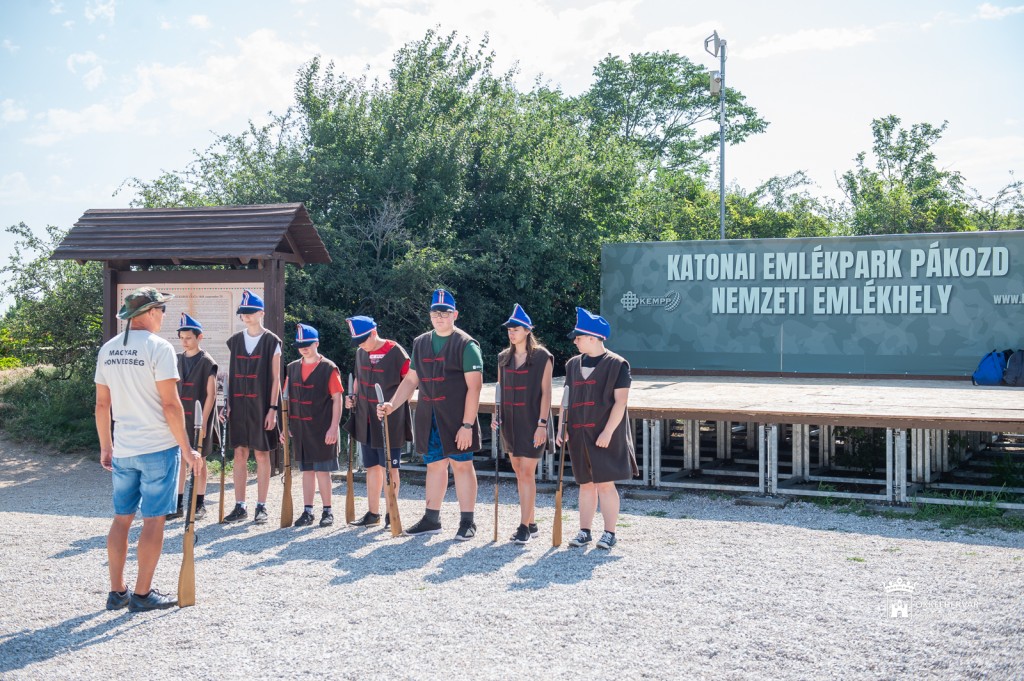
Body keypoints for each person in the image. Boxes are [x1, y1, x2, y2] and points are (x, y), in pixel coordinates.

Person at [95, 287, 201, 611]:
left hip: (124, 448)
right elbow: (171, 405)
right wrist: (187, 449)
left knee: (121, 519)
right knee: (153, 520)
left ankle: (117, 592)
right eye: (162, 311)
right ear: (152, 312)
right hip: (158, 447)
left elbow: (102, 405)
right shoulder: (160, 348)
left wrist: (106, 446)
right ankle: (142, 595)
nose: (164, 317)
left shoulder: (108, 349)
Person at [378, 289, 483, 540]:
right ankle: (431, 519)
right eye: (435, 313)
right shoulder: (421, 342)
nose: (440, 317)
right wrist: (392, 404)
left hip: (457, 417)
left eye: (445, 313)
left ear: (455, 314)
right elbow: (411, 379)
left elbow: (475, 388)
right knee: (434, 465)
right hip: (429, 415)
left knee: (462, 465)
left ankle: (467, 521)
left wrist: (467, 425)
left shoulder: (467, 345)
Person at [556, 307, 638, 551]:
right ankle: (584, 531)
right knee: (585, 483)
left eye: (579, 337)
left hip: (605, 434)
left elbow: (621, 402)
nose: (575, 341)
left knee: (605, 484)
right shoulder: (572, 364)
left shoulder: (617, 364)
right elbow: (566, 400)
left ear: (593, 338)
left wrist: (608, 432)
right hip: (578, 433)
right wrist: (562, 426)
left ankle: (610, 533)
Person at [343, 315, 411, 529]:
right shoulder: (360, 352)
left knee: (389, 467)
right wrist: (352, 398)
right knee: (371, 466)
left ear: (373, 333)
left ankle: (392, 513)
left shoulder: (397, 352)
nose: (361, 345)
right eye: (357, 342)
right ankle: (373, 514)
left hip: (390, 420)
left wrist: (395, 405)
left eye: (363, 340)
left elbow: (410, 383)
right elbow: (358, 379)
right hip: (365, 419)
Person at [493, 304, 553, 544]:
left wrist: (542, 424)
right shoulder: (503, 358)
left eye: (516, 329)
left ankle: (523, 526)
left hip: (533, 421)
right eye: (509, 329)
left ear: (527, 330)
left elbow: (547, 393)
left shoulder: (542, 356)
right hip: (509, 422)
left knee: (527, 473)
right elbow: (500, 391)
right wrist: (496, 415)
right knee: (518, 471)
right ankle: (532, 522)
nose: (511, 333)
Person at [223, 289, 282, 524]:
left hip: (261, 405)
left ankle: (261, 506)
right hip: (239, 405)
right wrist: (227, 403)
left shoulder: (271, 341)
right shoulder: (236, 341)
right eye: (243, 312)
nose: (246, 316)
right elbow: (231, 375)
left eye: (250, 312)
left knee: (261, 453)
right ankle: (240, 505)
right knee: (239, 453)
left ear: (261, 313)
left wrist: (273, 409)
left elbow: (276, 379)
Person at [285, 324, 343, 528]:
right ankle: (308, 511)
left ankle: (328, 511)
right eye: (300, 345)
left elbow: (337, 399)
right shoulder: (292, 368)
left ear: (316, 343)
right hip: (300, 428)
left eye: (307, 344)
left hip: (322, 428)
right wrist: (286, 425)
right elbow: (286, 399)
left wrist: (333, 427)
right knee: (307, 471)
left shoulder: (328, 367)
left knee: (322, 471)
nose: (304, 348)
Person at [166, 313, 217, 521]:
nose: (184, 341)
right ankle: (177, 504)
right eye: (182, 338)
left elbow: (211, 395)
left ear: (199, 337)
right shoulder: (176, 359)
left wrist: (203, 422)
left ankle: (199, 503)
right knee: (180, 459)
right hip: (180, 419)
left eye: (188, 337)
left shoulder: (207, 362)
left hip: (199, 420)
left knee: (199, 461)